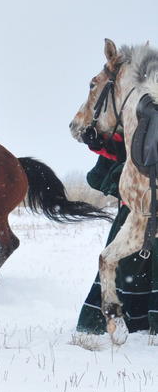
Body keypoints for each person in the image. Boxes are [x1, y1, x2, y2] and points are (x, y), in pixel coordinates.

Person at [76, 133, 158, 334]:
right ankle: (122, 318)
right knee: (124, 265)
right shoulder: (132, 135)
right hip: (133, 214)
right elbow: (98, 177)